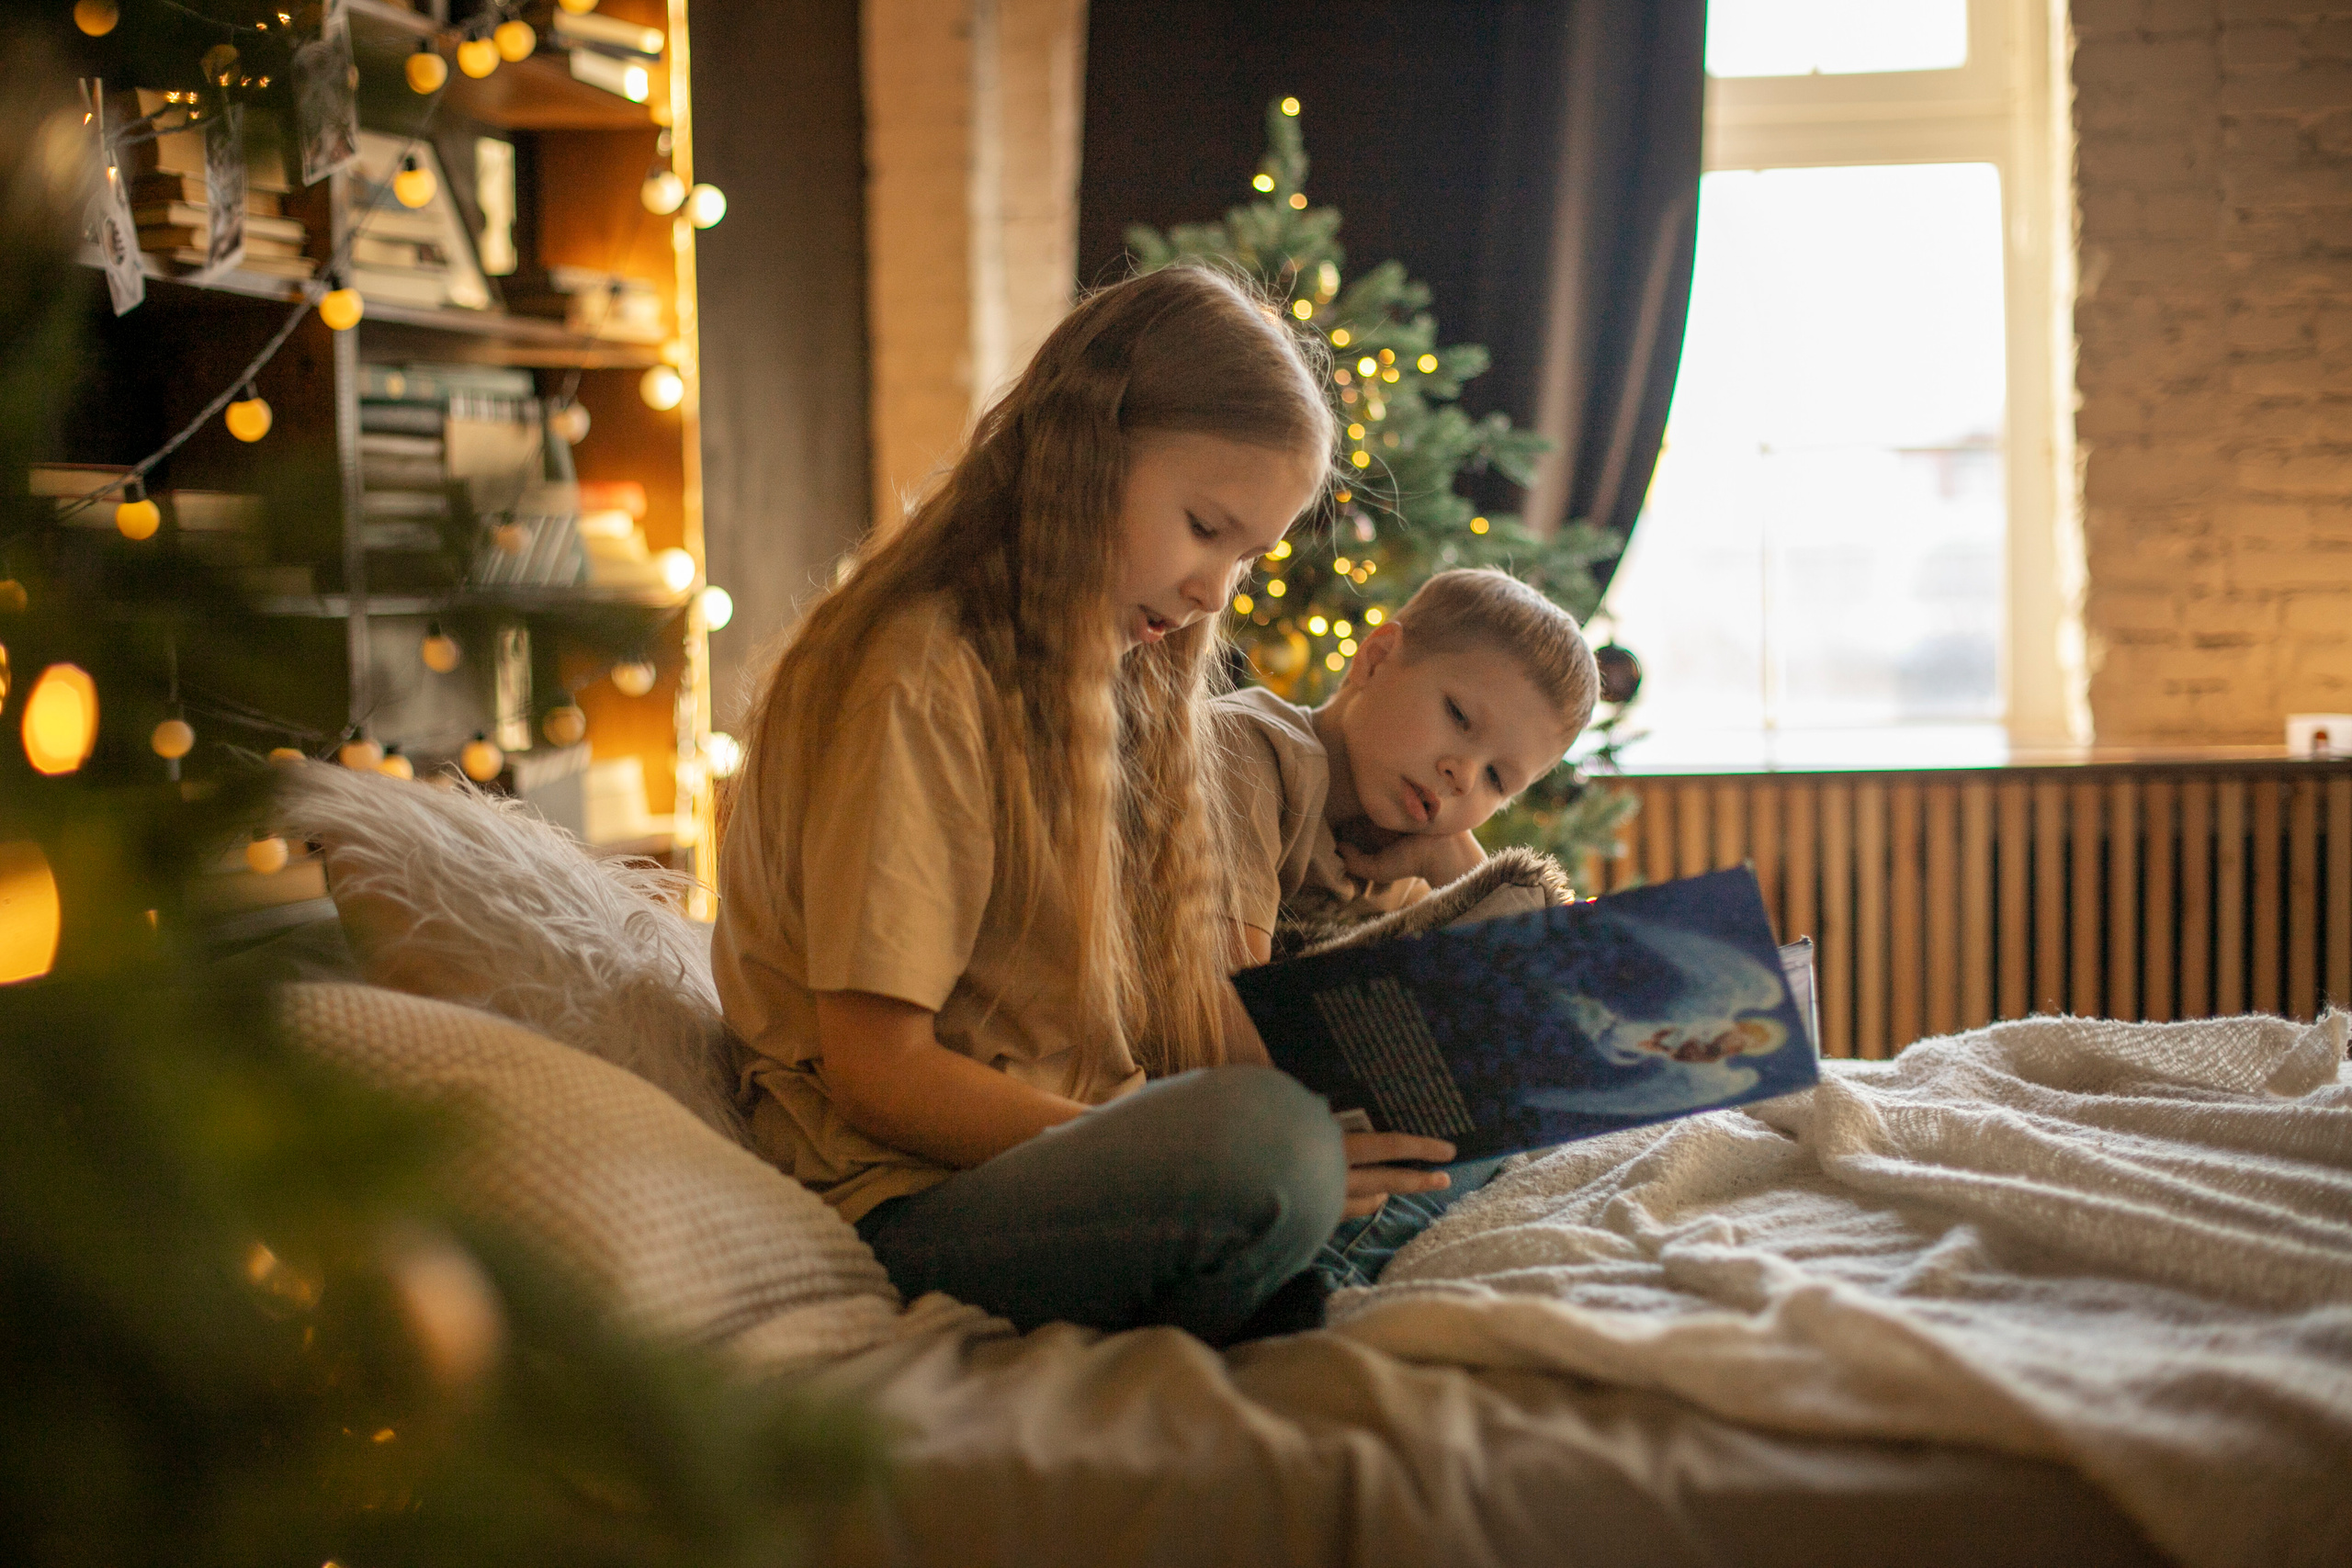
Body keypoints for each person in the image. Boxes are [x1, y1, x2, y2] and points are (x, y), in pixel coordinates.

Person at [711, 265, 1453, 1347]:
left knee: (1409, 1156)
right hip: (913, 1199)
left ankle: (1278, 1253)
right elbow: (879, 1072)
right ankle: (1271, 1256)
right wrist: (1176, 1144)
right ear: (1083, 452)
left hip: (1086, 1161)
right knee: (1267, 1150)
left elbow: (1153, 1029)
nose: (1215, 593)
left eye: (1246, 557)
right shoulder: (921, 675)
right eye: (1205, 527)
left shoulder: (1116, 683)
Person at [1214, 567, 1600, 1287]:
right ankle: (1305, 1279)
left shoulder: (1405, 848)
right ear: (1376, 657)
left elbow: (1533, 979)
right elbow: (1236, 1011)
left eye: (1497, 780)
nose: (1461, 774)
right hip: (1235, 1109)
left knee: (1508, 1117)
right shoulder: (1251, 750)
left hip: (1322, 1131)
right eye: (1459, 717)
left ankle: (1328, 1263)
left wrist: (1451, 855)